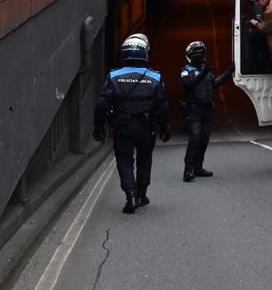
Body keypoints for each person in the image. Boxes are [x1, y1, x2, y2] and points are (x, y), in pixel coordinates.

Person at [94, 35, 170, 213]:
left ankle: (130, 194)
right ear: (145, 53)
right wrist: (164, 127)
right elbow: (164, 105)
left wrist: (98, 126)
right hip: (146, 126)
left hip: (122, 126)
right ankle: (142, 195)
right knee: (145, 159)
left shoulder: (114, 76)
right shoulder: (155, 77)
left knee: (124, 160)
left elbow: (101, 104)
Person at [180, 41, 233, 182]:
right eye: (196, 53)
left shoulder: (206, 71)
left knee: (204, 139)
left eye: (201, 53)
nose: (199, 56)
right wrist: (203, 72)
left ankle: (198, 167)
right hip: (194, 110)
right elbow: (188, 84)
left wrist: (229, 72)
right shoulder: (186, 70)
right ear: (189, 56)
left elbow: (214, 83)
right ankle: (188, 170)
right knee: (195, 139)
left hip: (207, 109)